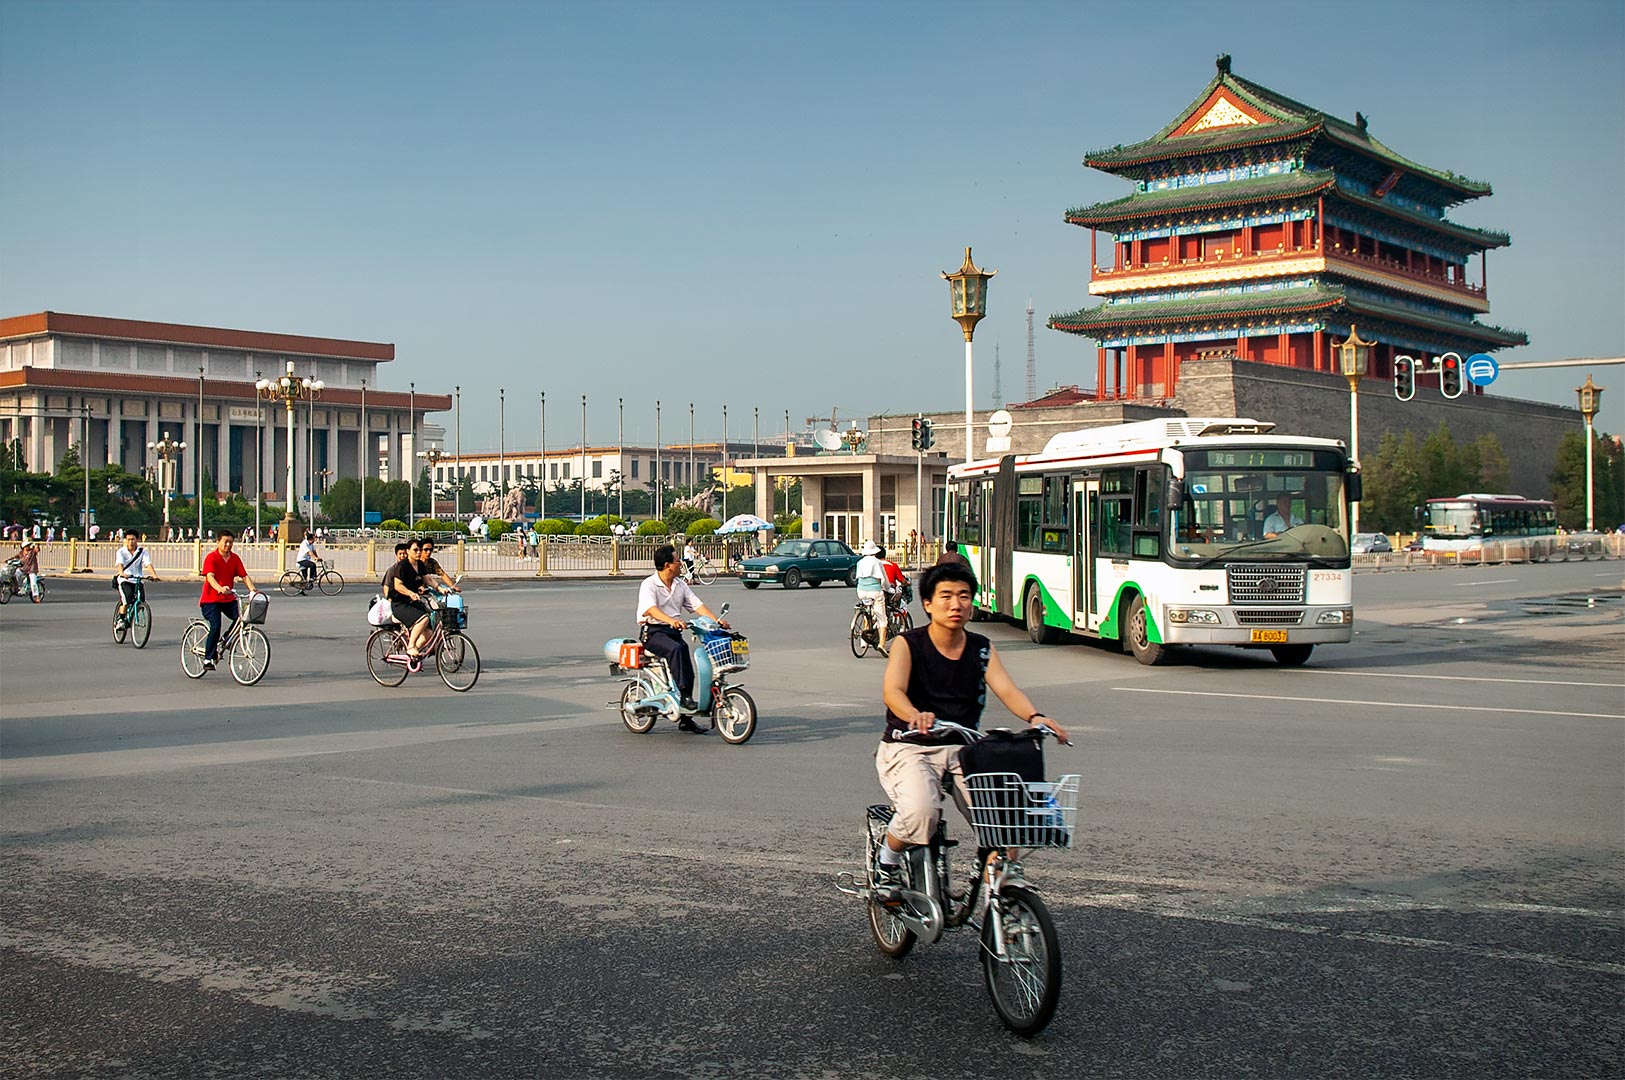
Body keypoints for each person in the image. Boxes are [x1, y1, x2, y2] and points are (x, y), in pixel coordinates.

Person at [872, 560, 1070, 892]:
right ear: (928, 604)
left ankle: (1004, 900)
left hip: (965, 748)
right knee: (922, 813)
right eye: (946, 596)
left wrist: (1035, 718)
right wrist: (914, 715)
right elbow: (893, 691)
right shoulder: (909, 644)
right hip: (909, 744)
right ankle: (887, 862)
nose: (956, 604)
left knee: (1002, 819)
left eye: (964, 596)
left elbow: (1007, 689)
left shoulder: (981, 647)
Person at [636, 544, 730, 732]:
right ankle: (686, 698)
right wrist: (671, 620)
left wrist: (717, 621)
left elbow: (697, 605)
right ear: (667, 565)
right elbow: (650, 609)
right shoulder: (649, 584)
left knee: (687, 659)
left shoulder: (680, 585)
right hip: (653, 632)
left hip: (672, 632)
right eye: (677, 561)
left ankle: (685, 718)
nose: (681, 564)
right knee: (678, 650)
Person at [198, 530, 258, 672]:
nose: (228, 544)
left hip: (228, 598)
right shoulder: (211, 558)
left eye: (231, 542)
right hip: (210, 600)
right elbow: (210, 577)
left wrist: (254, 591)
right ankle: (208, 658)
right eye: (225, 541)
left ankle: (227, 638)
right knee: (215, 625)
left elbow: (244, 576)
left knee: (243, 617)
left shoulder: (234, 559)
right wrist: (219, 588)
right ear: (218, 542)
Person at [382, 538, 434, 667]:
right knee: (423, 619)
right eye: (415, 550)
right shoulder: (402, 566)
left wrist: (441, 589)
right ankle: (411, 646)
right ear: (408, 551)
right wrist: (410, 593)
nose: (418, 553)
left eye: (420, 550)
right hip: (399, 603)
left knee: (429, 632)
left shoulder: (419, 565)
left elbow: (428, 579)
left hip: (411, 602)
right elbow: (398, 586)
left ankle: (411, 653)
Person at [855, 539, 890, 652]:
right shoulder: (877, 562)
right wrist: (888, 588)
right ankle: (881, 644)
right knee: (882, 618)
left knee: (867, 612)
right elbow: (884, 580)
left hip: (861, 592)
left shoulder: (859, 563)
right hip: (875, 592)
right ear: (875, 552)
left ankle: (863, 641)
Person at [115, 530, 159, 616]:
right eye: (128, 539)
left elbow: (148, 564)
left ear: (137, 540)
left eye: (133, 539)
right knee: (127, 600)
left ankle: (132, 617)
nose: (131, 542)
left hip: (137, 579)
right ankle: (121, 619)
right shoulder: (121, 552)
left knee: (141, 602)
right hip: (125, 580)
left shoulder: (142, 551)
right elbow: (120, 563)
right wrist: (122, 573)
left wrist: (154, 575)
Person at [16, 538, 43, 602]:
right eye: (26, 546)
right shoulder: (21, 553)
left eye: (28, 545)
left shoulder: (32, 551)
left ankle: (36, 596)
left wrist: (36, 546)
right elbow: (15, 557)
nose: (27, 547)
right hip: (24, 568)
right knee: (15, 573)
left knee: (33, 583)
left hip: (32, 569)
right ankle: (16, 588)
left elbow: (37, 550)